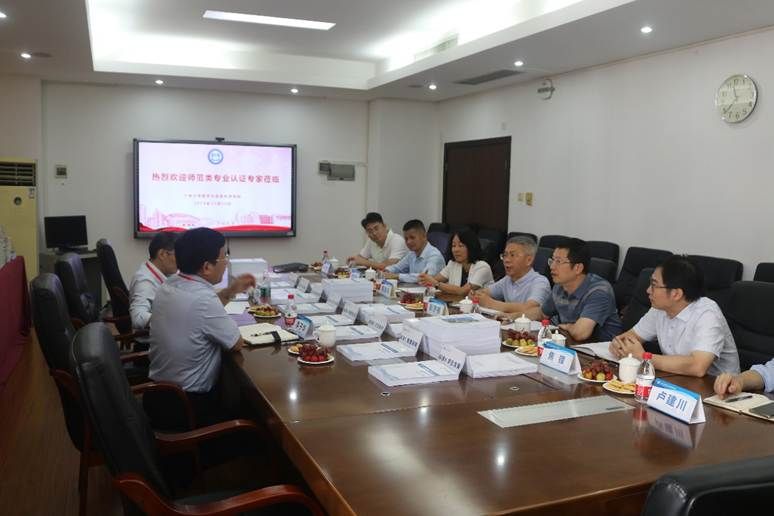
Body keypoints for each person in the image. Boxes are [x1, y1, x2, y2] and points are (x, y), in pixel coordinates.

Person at [148, 227, 256, 426]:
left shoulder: (170, 284)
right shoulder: (203, 300)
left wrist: (230, 291)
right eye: (224, 257)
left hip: (160, 396)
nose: (226, 262)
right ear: (207, 267)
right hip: (189, 408)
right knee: (254, 417)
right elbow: (236, 343)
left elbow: (200, 314)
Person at [610, 255, 740, 377]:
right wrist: (619, 345)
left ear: (676, 294)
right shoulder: (659, 309)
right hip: (677, 379)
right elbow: (630, 337)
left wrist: (644, 357)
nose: (648, 290)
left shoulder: (707, 314)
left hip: (715, 387)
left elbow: (698, 366)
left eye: (654, 285)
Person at [527, 238, 622, 341]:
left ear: (578, 268)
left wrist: (567, 326)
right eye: (552, 260)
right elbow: (542, 313)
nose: (552, 266)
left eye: (558, 261)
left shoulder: (599, 291)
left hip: (600, 348)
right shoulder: (560, 286)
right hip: (569, 341)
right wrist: (514, 317)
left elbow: (581, 333)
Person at [474, 235, 550, 314]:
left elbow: (530, 308)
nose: (506, 260)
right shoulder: (507, 279)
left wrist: (492, 303)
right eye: (505, 255)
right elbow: (484, 292)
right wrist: (476, 294)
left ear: (529, 260)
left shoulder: (540, 282)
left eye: (512, 255)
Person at [418, 229, 493, 296]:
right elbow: (435, 279)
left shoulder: (483, 267)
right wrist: (425, 279)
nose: (456, 250)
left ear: (471, 247)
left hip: (480, 306)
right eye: (453, 245)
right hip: (456, 304)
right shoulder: (452, 264)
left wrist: (436, 284)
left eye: (461, 245)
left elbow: (463, 291)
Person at [128, 231, 178, 331]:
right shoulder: (145, 282)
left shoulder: (162, 272)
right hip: (154, 338)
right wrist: (173, 319)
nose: (182, 260)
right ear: (162, 254)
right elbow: (138, 317)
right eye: (178, 255)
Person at [383, 219, 445, 283]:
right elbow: (397, 267)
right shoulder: (412, 253)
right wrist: (386, 271)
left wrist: (397, 276)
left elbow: (424, 278)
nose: (408, 242)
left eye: (412, 237)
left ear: (424, 236)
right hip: (414, 288)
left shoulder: (435, 256)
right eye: (406, 239)